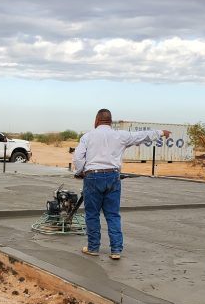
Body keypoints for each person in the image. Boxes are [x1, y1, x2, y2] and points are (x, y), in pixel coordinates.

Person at [72, 109, 170, 259]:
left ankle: (93, 247)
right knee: (112, 215)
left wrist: (81, 171)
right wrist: (161, 132)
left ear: (96, 120)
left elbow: (78, 158)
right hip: (113, 176)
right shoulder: (121, 135)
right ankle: (116, 250)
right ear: (110, 121)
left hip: (93, 177)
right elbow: (142, 136)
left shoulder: (87, 137)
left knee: (92, 214)